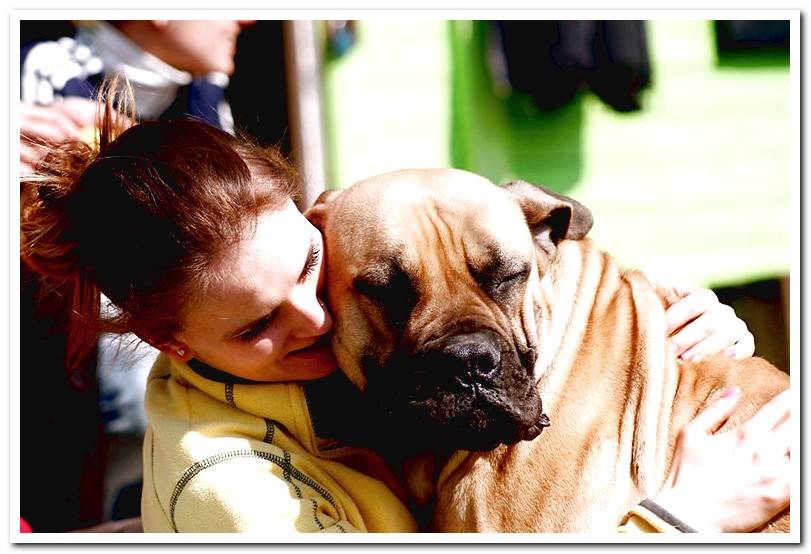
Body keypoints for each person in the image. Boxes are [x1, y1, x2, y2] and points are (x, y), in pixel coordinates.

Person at [19, 77, 789, 533]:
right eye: (256, 326)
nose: (314, 320)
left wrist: (695, 320)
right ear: (172, 342)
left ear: (314, 221)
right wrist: (682, 520)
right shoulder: (232, 488)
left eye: (312, 272)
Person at [19, 20, 253, 531]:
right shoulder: (42, 73)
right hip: (56, 398)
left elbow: (217, 242)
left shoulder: (200, 89)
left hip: (163, 392)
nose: (247, 17)